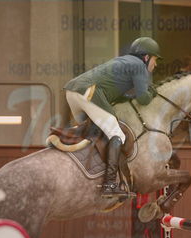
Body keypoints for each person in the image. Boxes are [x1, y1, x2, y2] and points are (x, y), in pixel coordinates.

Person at [63, 37, 161, 197]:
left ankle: (82, 171)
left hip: (72, 92)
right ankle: (108, 184)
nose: (155, 65)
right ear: (146, 57)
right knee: (117, 135)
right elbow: (144, 99)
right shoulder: (139, 67)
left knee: (91, 133)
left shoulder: (124, 61)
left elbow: (117, 94)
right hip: (89, 92)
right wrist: (152, 93)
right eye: (155, 59)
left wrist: (131, 98)